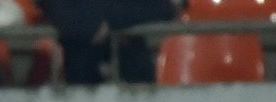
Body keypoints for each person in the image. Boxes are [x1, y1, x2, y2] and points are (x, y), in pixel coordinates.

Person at [39, 0, 176, 85]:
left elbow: (163, 8)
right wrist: (93, 26)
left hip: (132, 71)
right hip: (81, 71)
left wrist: (110, 22)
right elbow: (58, 11)